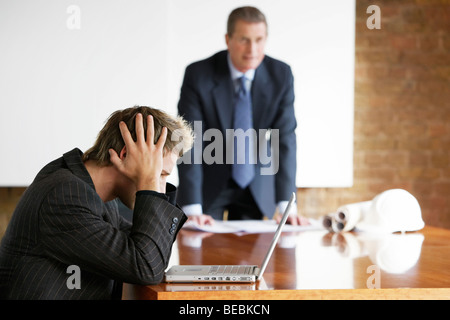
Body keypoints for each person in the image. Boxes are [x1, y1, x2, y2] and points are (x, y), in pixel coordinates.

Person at [0, 106, 193, 299]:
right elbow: (146, 267)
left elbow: (152, 253)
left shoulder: (93, 194)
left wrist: (150, 181)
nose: (159, 188)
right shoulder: (64, 196)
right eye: (158, 174)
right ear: (125, 155)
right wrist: (148, 182)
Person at [177, 6, 306, 225]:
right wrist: (192, 206)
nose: (252, 49)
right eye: (244, 39)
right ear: (228, 39)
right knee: (202, 251)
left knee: (252, 255)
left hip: (256, 184)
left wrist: (286, 205)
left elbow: (285, 139)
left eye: (259, 39)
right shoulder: (198, 75)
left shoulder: (281, 75)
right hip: (208, 183)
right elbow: (189, 140)